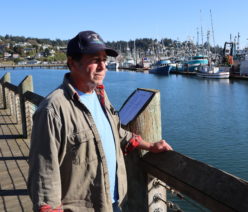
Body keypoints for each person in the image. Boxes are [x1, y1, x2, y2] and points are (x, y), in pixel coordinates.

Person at [27, 30, 172, 212]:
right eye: (95, 60)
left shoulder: (99, 95)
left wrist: (149, 146)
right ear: (72, 62)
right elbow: (43, 176)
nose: (103, 66)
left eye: (104, 60)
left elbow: (116, 132)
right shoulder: (52, 111)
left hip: (115, 204)